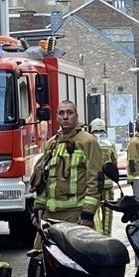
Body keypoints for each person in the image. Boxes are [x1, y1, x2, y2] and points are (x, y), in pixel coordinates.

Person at [29, 101, 103, 264]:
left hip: (76, 215)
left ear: (76, 116)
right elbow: (44, 179)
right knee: (38, 262)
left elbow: (95, 179)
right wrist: (38, 207)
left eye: (69, 113)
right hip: (50, 216)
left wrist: (87, 213)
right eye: (61, 113)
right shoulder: (52, 144)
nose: (65, 117)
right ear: (56, 117)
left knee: (80, 263)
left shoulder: (87, 142)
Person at [88, 118, 120, 235]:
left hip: (94, 184)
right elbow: (114, 163)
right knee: (108, 210)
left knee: (94, 209)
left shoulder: (89, 144)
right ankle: (107, 234)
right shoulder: (109, 144)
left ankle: (98, 233)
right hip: (107, 183)